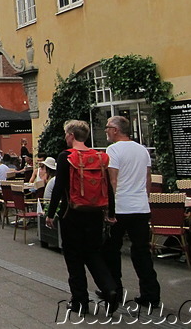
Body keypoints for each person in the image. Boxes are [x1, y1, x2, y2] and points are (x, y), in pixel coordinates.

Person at [46, 120, 117, 315]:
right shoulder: (99, 157)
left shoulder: (66, 157)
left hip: (72, 213)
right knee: (93, 253)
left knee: (74, 258)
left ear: (70, 135)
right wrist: (111, 213)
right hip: (95, 213)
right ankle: (110, 288)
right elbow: (108, 187)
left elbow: (59, 188)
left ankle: (80, 301)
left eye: (66, 134)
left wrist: (51, 214)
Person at [100, 115, 161, 309]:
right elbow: (148, 178)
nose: (106, 131)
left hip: (121, 207)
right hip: (140, 207)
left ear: (116, 130)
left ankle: (114, 290)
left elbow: (113, 180)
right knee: (141, 251)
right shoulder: (142, 150)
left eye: (108, 127)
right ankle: (150, 293)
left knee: (111, 250)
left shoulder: (113, 150)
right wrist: (145, 198)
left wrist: (110, 208)